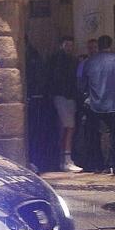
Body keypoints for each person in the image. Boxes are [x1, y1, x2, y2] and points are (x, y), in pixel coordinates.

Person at [79, 34, 115, 175]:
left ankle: (108, 165)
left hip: (97, 104)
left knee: (104, 135)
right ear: (110, 45)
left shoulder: (89, 62)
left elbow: (82, 84)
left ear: (99, 45)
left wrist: (88, 95)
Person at [47, 36, 82, 172]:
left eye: (71, 45)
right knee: (68, 127)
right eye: (67, 45)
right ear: (62, 45)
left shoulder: (68, 60)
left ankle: (64, 159)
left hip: (66, 97)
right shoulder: (60, 60)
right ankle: (65, 160)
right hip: (63, 96)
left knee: (67, 127)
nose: (69, 48)